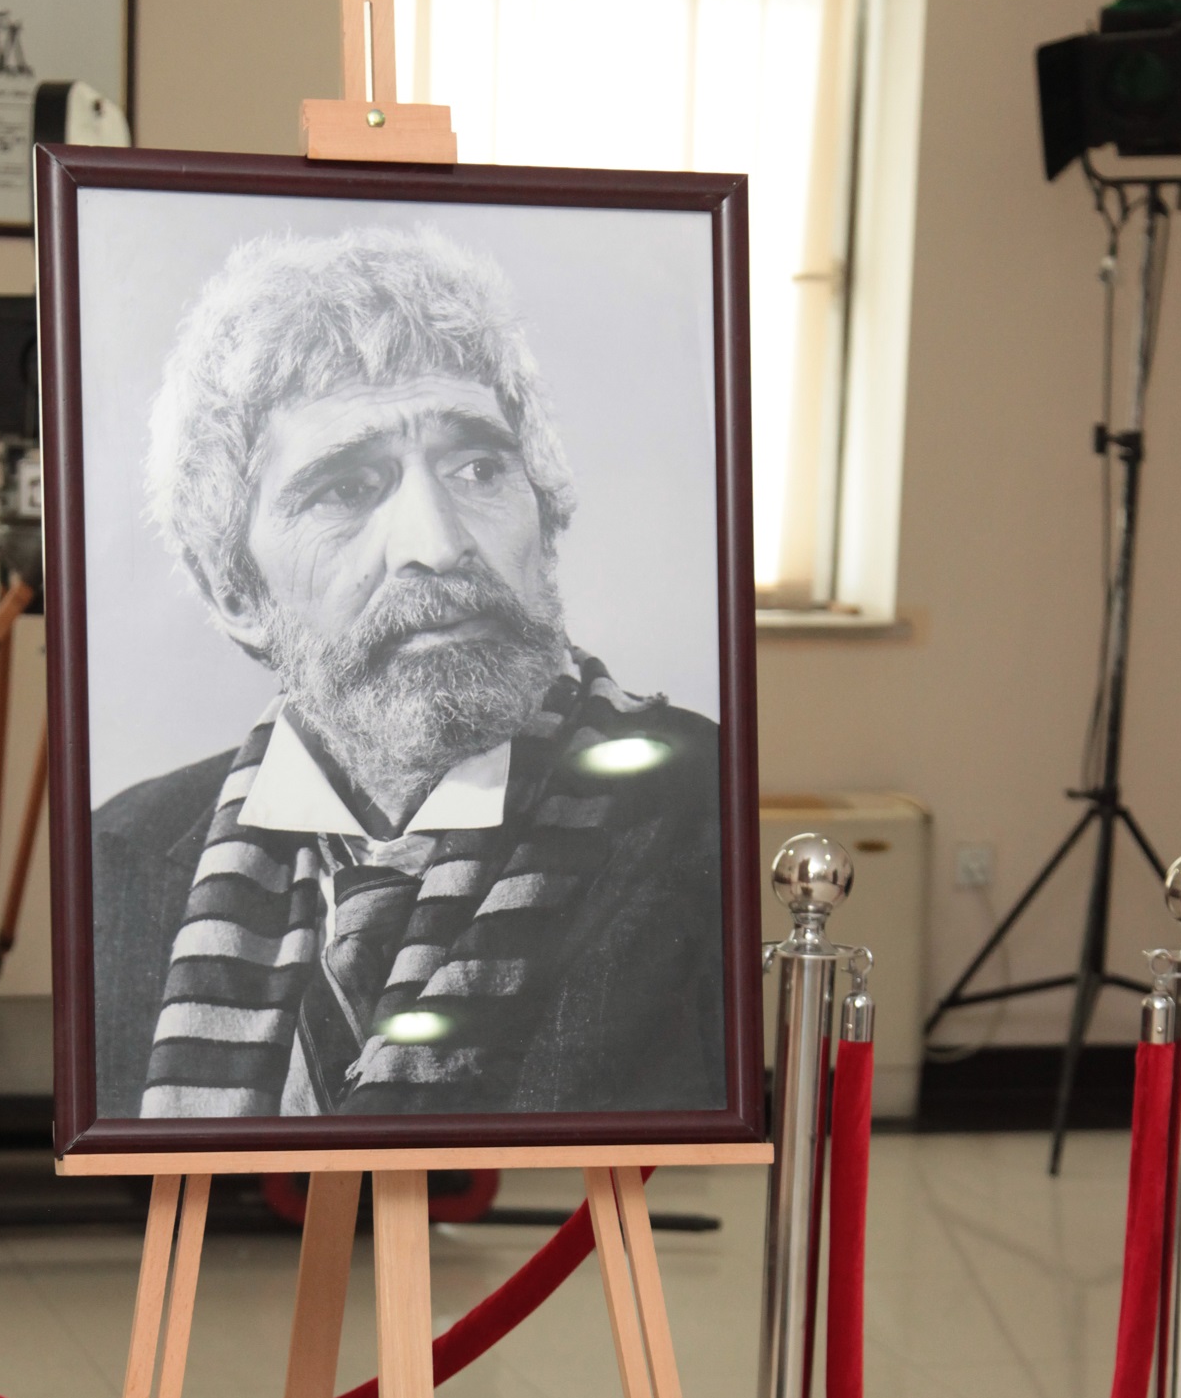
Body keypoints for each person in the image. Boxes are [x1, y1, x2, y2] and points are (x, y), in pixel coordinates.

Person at [91, 222, 725, 1121]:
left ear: (545, 521)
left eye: (478, 467)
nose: (436, 543)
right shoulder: (118, 855)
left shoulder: (702, 810)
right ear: (233, 590)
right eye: (346, 489)